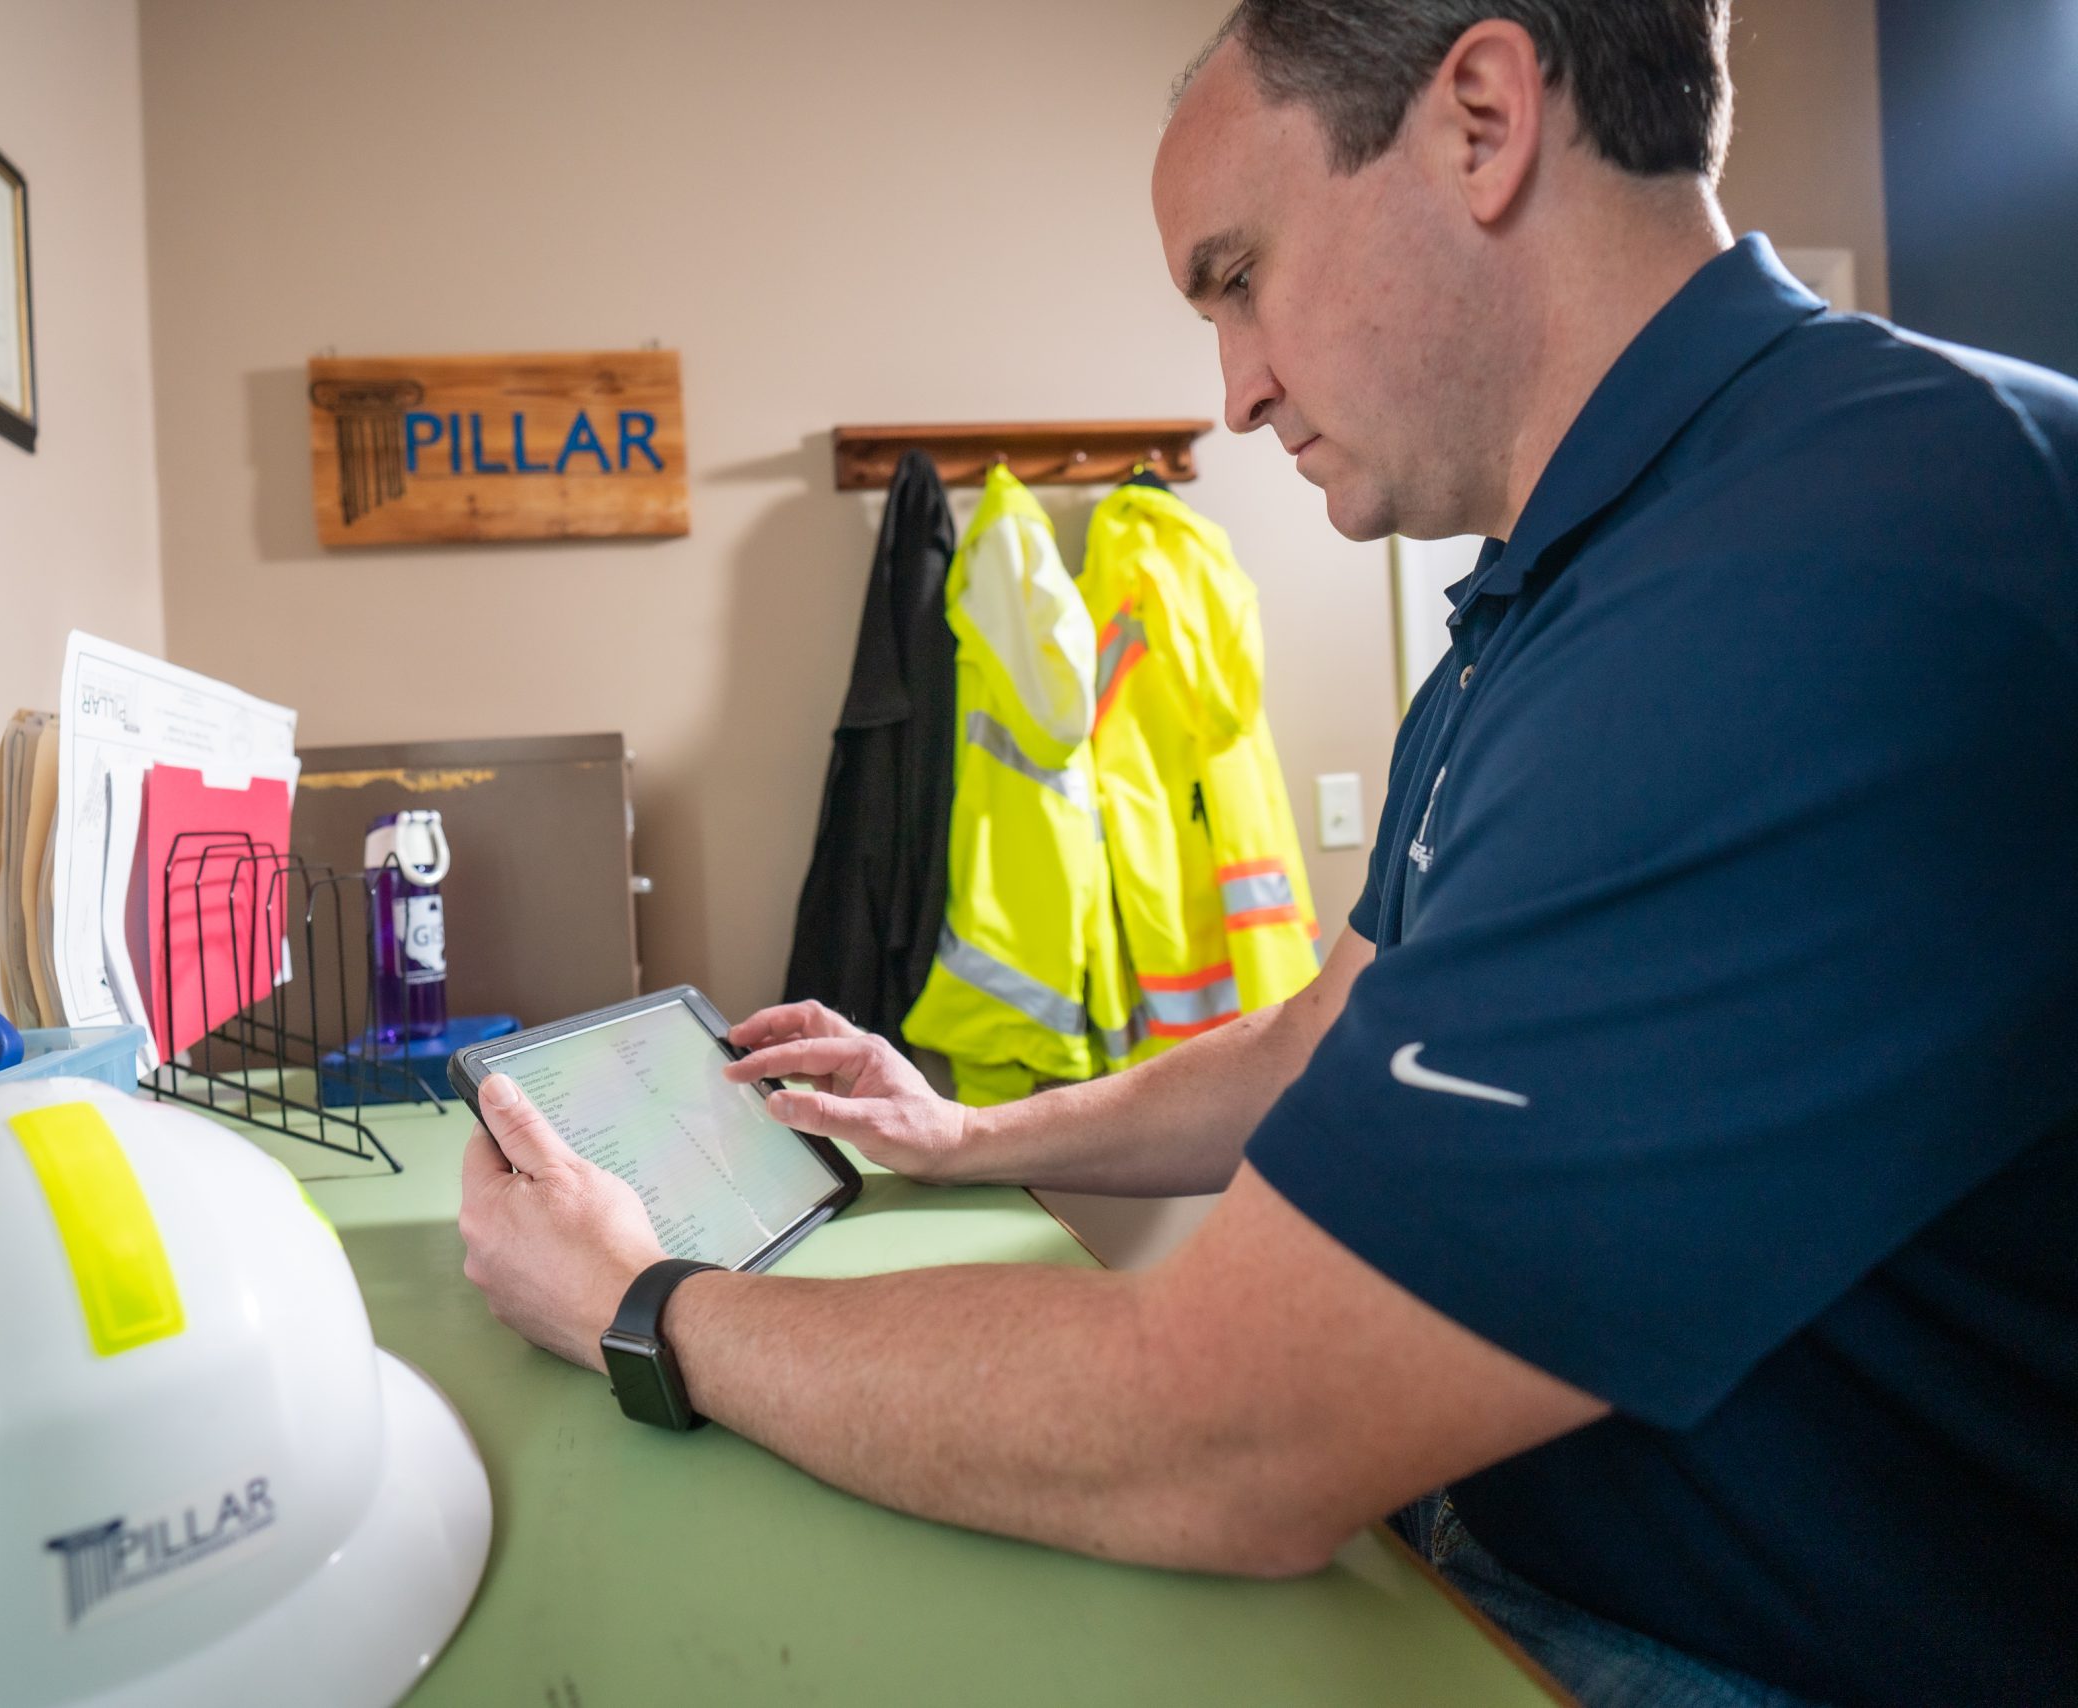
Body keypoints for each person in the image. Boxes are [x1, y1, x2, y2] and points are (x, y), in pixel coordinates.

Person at [458, 4, 2078, 1703]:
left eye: (1239, 278)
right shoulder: (1557, 594)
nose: (1233, 392)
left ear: (1481, 120)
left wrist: (649, 1304)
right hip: (1506, 1567)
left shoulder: (1839, 565)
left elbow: (1220, 1432)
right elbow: (1329, 1035)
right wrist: (966, 1132)